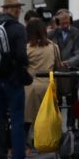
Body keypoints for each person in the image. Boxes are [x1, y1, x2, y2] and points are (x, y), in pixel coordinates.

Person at [0, 0, 38, 159]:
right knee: (17, 119)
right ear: (15, 10)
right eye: (18, 8)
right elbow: (22, 56)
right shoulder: (18, 29)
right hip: (12, 79)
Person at [24, 17, 62, 151]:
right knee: (46, 117)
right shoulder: (53, 47)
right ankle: (46, 141)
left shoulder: (27, 48)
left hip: (31, 87)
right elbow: (58, 66)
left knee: (28, 119)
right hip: (48, 86)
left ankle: (26, 144)